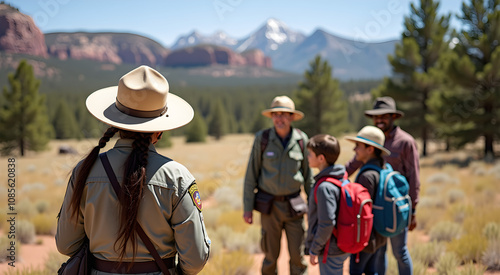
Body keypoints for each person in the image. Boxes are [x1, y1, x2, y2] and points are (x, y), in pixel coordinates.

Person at [56, 65, 211, 275]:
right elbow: (195, 259)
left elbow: (66, 244)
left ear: (117, 123)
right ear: (160, 130)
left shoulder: (85, 170)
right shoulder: (177, 177)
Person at [345, 96, 420, 275]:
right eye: (376, 117)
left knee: (399, 252)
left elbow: (413, 177)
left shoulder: (405, 142)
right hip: (375, 207)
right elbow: (353, 164)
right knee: (378, 251)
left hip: (395, 207)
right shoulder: (370, 139)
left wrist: (413, 210)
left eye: (384, 116)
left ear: (393, 117)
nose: (379, 120)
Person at [243, 95, 314, 275]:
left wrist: (314, 207)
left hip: (294, 206)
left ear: (291, 117)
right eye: (275, 114)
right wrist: (247, 208)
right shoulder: (263, 139)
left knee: (297, 256)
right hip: (269, 207)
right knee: (270, 257)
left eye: (284, 114)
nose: (279, 118)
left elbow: (308, 176)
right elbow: (251, 174)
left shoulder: (301, 140)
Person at [345, 126, 389, 275]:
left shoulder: (366, 176)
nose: (354, 150)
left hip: (365, 239)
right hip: (380, 234)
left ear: (370, 149)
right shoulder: (382, 168)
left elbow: (361, 211)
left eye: (358, 146)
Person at [304, 134, 349, 275]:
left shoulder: (324, 187)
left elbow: (327, 222)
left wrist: (315, 248)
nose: (307, 157)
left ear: (321, 158)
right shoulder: (341, 178)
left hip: (331, 249)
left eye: (310, 154)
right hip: (342, 244)